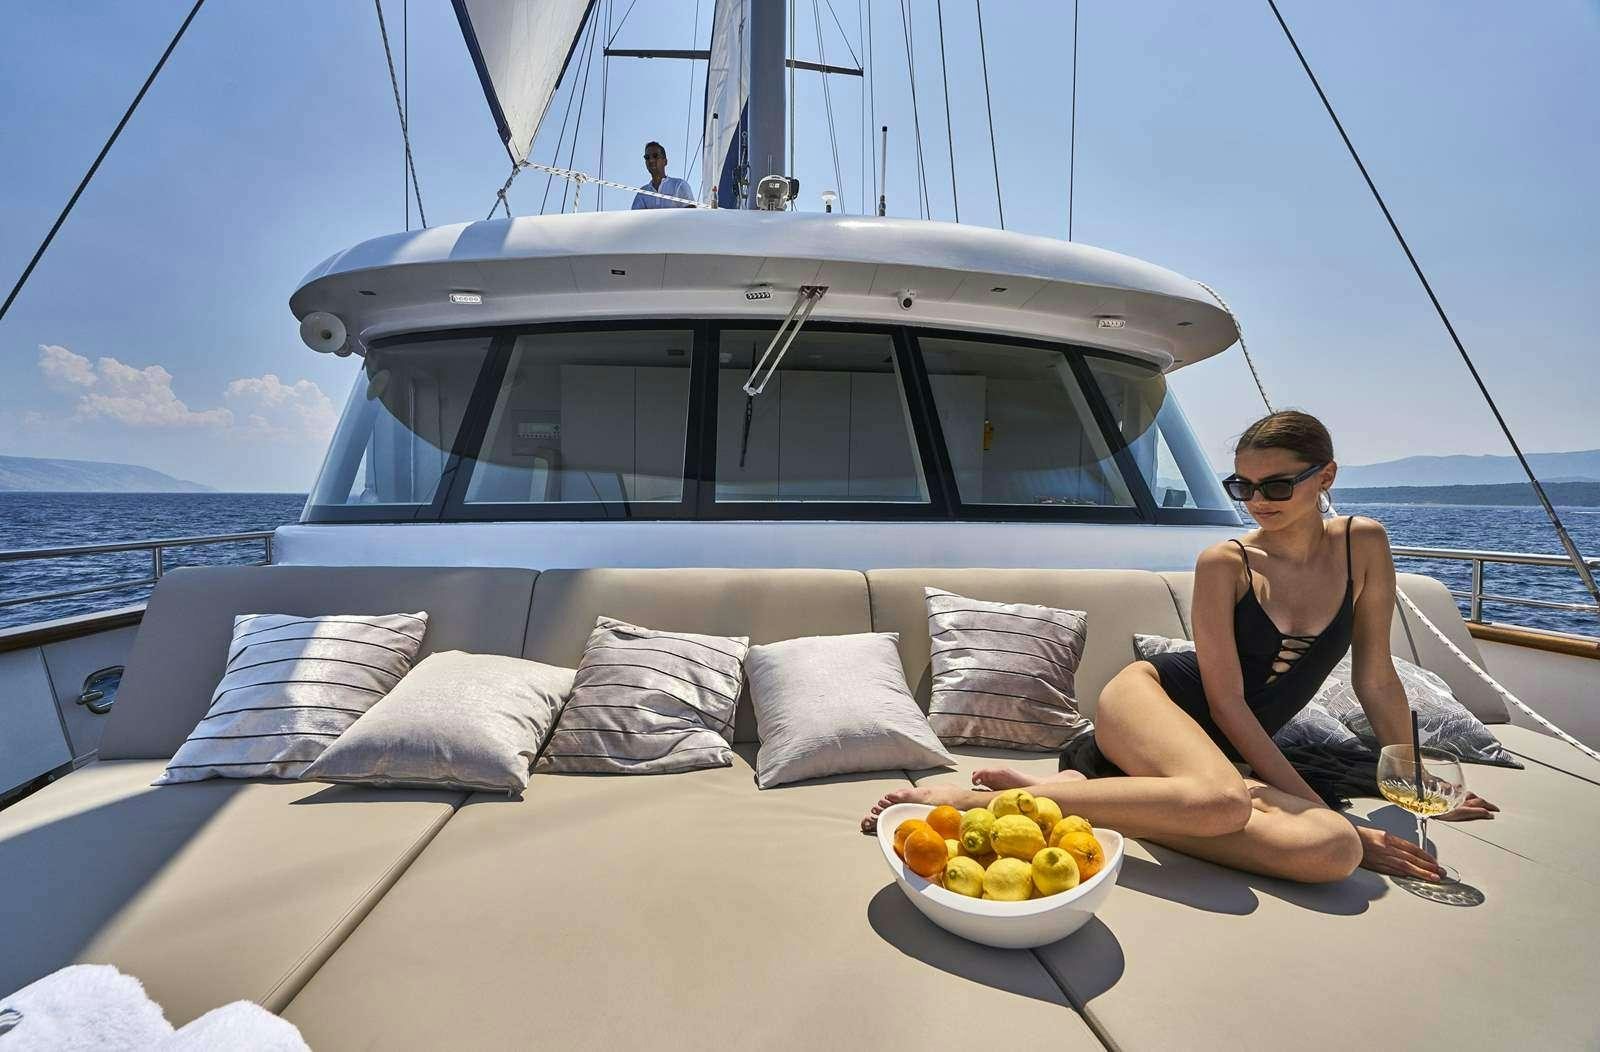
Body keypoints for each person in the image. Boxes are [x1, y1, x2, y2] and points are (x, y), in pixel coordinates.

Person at [863, 410, 1498, 884]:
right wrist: (1301, 798)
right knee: (1226, 800)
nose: (1257, 502)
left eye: (1276, 486)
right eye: (1242, 487)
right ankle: (980, 801)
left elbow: (1377, 680)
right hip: (1152, 703)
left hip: (1225, 758)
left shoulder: (1365, 541)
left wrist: (1412, 781)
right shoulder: (1225, 561)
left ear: (1325, 476)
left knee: (1331, 851)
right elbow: (1224, 701)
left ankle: (1108, 803)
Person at [631, 142, 695, 209]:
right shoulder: (642, 193)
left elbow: (692, 214)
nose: (651, 160)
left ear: (665, 161)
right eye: (647, 157)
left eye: (655, 156)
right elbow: (634, 218)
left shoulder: (679, 185)